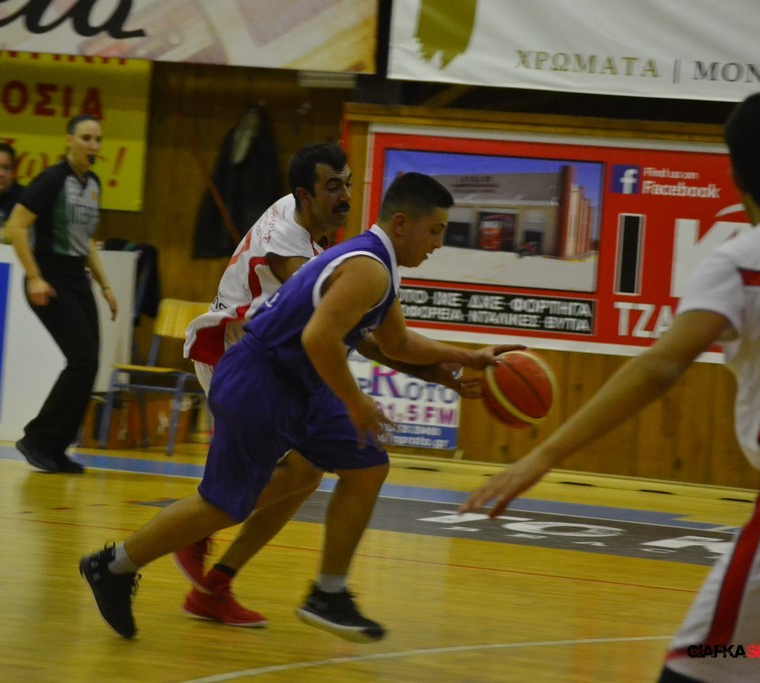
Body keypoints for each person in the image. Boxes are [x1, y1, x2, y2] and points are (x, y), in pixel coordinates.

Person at [461, 91, 760, 683]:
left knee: (700, 666)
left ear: (736, 175)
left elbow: (661, 366)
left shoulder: (746, 256)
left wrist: (542, 456)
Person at [80, 172, 508, 643]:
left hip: (298, 385)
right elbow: (318, 338)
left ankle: (328, 593)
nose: (439, 243)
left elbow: (397, 343)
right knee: (222, 505)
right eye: (436, 230)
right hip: (261, 380)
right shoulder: (368, 268)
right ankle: (113, 565)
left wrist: (465, 358)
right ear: (403, 224)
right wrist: (356, 402)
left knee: (366, 465)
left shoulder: (377, 263)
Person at [174, 143, 491, 631]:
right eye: (332, 187)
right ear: (306, 194)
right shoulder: (293, 249)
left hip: (268, 363)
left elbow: (373, 337)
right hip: (241, 361)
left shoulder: (297, 211)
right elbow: (355, 338)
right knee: (282, 478)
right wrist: (425, 373)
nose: (345, 196)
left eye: (347, 182)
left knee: (307, 473)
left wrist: (436, 370)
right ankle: (198, 529)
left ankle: (217, 582)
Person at [6, 114, 118, 475]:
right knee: (82, 360)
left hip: (76, 279)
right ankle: (37, 440)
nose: (92, 145)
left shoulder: (93, 183)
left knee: (89, 365)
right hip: (49, 278)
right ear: (69, 141)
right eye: (85, 138)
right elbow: (15, 226)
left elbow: (86, 242)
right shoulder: (52, 179)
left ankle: (54, 448)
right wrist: (34, 277)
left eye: (97, 139)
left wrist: (105, 286)